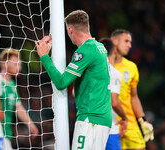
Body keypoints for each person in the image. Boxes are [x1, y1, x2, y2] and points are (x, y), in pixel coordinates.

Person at [35, 10, 112, 150]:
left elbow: (61, 82)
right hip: (102, 118)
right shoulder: (100, 47)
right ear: (87, 27)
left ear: (70, 30)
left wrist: (44, 56)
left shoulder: (85, 51)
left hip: (90, 118)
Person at [111, 29, 154, 150]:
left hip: (129, 122)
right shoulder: (103, 65)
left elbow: (134, 97)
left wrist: (143, 120)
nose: (130, 45)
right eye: (126, 41)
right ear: (115, 41)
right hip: (110, 122)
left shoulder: (132, 67)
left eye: (130, 42)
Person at [0, 48, 39, 149]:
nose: (19, 68)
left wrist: (30, 124)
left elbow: (18, 107)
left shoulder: (12, 84)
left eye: (20, 64)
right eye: (16, 64)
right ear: (4, 63)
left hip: (6, 133)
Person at [99, 38, 128, 150]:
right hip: (110, 129)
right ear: (114, 50)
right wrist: (125, 118)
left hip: (91, 127)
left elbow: (74, 93)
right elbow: (114, 102)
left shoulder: (91, 71)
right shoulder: (114, 72)